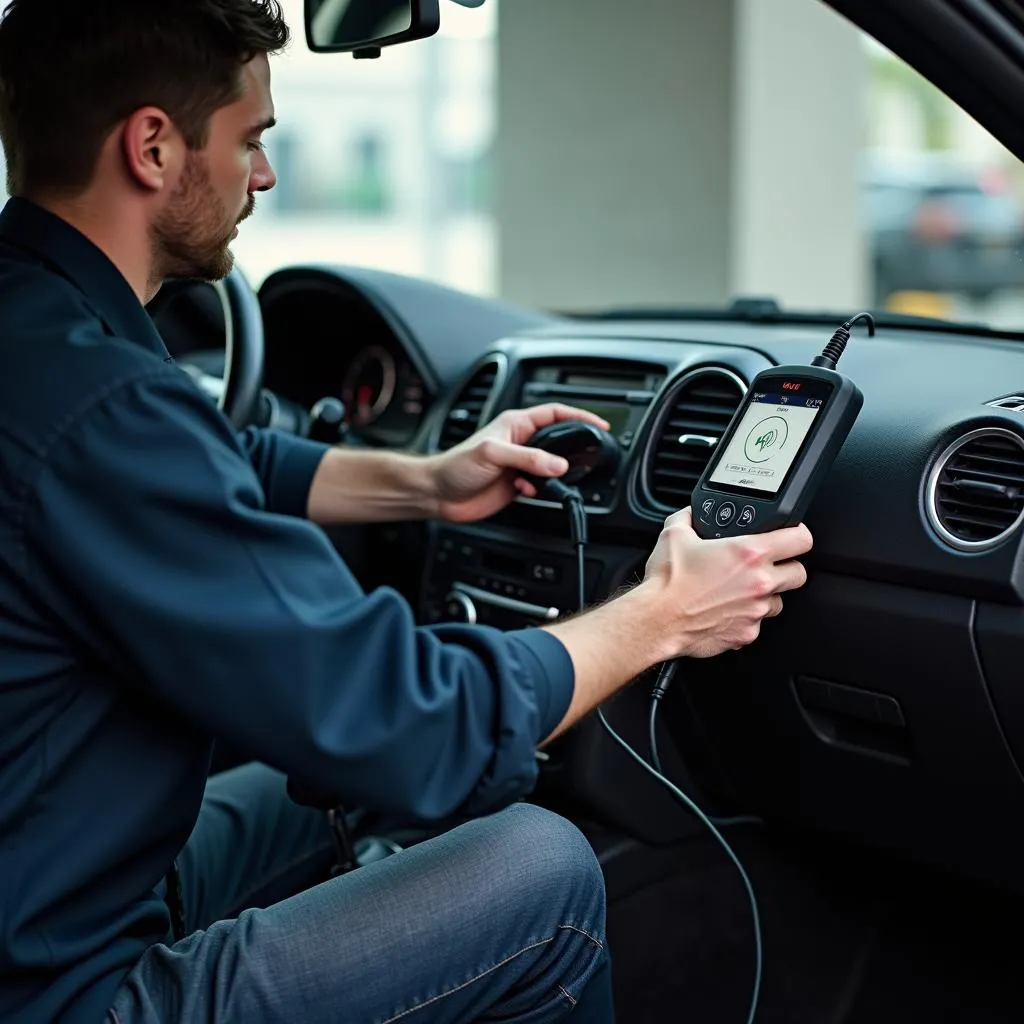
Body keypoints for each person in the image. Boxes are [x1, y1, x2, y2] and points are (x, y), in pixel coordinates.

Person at [0, 1, 814, 1022]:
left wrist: (430, 478)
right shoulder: (107, 407)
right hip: (67, 990)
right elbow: (413, 722)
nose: (264, 177)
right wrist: (659, 615)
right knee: (542, 870)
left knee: (315, 794)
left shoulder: (40, 336)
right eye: (252, 140)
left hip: (47, 886)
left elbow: (218, 462)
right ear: (153, 145)